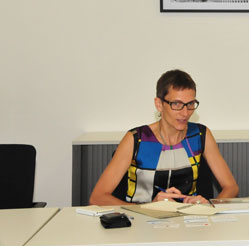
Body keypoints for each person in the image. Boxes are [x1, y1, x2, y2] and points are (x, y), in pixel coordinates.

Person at [90, 69, 238, 205]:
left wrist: (209, 206)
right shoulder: (136, 139)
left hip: (189, 220)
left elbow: (231, 187)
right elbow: (97, 198)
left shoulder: (200, 135)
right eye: (176, 104)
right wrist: (150, 208)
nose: (185, 113)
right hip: (141, 220)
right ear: (159, 104)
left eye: (190, 104)